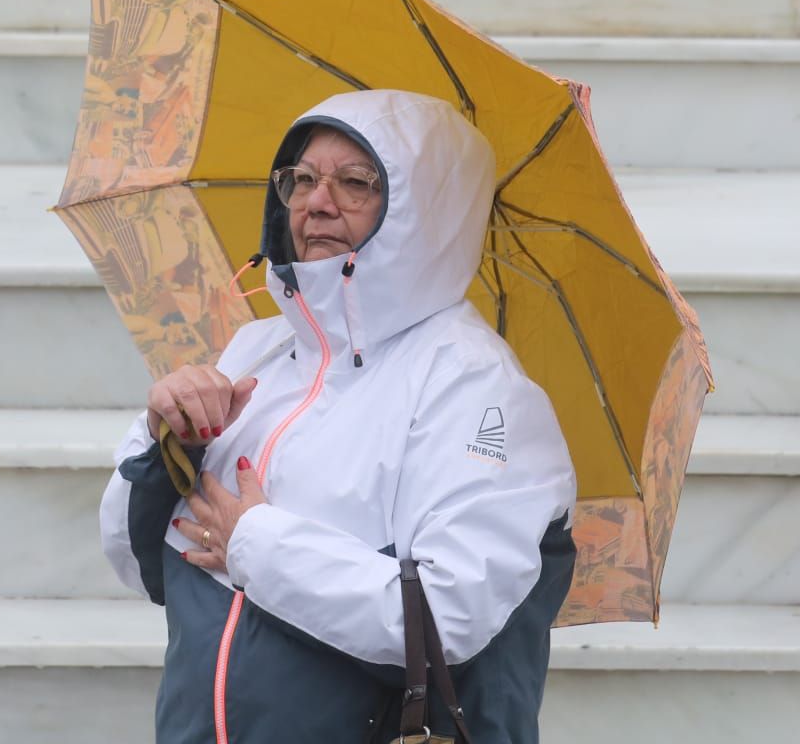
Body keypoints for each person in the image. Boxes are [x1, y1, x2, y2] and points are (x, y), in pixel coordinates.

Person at [100, 89, 577, 742]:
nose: (316, 203)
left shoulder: (478, 388)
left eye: (355, 183)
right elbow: (139, 563)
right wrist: (163, 445)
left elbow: (447, 617)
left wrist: (255, 544)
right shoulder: (258, 350)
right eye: (302, 179)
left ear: (424, 213)